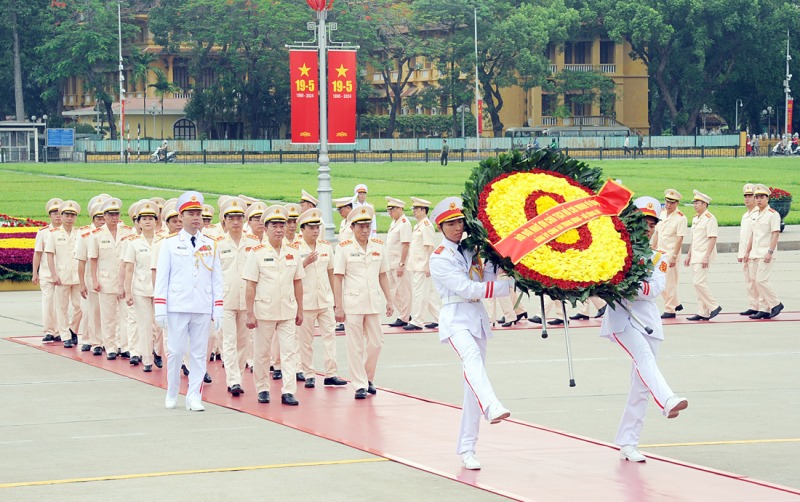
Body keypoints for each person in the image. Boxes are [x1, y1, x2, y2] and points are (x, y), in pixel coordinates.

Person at [601, 196, 689, 463]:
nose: (648, 228)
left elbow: (653, 289)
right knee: (644, 357)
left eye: (652, 224)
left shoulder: (658, 258)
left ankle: (628, 442)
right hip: (621, 320)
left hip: (648, 322)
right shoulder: (613, 251)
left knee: (640, 387)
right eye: (643, 222)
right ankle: (668, 400)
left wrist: (624, 282)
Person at [428, 196, 513, 470]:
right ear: (440, 227)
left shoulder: (470, 250)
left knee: (473, 384)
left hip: (477, 317)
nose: (457, 227)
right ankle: (492, 406)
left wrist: (497, 264)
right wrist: (506, 287)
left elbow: (483, 279)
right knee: (472, 359)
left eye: (460, 222)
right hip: (455, 317)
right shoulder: (439, 257)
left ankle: (467, 448)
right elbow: (466, 289)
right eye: (450, 223)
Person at [154, 191, 223, 411]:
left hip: (202, 305)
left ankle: (194, 396)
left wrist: (218, 309)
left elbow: (217, 279)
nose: (196, 218)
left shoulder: (210, 244)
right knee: (175, 351)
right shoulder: (170, 244)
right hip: (177, 305)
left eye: (198, 214)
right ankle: (172, 390)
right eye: (191, 214)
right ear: (181, 217)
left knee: (199, 354)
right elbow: (162, 277)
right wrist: (160, 307)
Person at [242, 205, 304, 405]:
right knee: (262, 353)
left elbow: (298, 282)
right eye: (274, 226)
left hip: (287, 309)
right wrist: (249, 313)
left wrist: (300, 308)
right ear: (266, 228)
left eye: (281, 226)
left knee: (289, 352)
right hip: (264, 311)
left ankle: (288, 391)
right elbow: (250, 285)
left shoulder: (293, 251)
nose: (279, 230)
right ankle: (262, 388)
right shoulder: (257, 252)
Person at [333, 205, 393, 400]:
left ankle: (367, 378)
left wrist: (389, 299)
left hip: (373, 301)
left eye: (368, 226)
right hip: (353, 303)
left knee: (376, 342)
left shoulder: (378, 246)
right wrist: (338, 306)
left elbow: (383, 274)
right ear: (352, 227)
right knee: (355, 345)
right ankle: (359, 384)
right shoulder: (344, 248)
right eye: (360, 226)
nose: (365, 230)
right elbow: (338, 277)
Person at [296, 208, 347, 388]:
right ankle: (308, 373)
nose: (315, 231)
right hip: (306, 302)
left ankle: (331, 373)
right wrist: (304, 262)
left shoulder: (325, 246)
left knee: (330, 337)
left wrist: (337, 302)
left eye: (317, 227)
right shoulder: (295, 248)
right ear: (303, 229)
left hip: (325, 300)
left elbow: (332, 274)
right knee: (305, 341)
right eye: (311, 228)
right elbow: (291, 274)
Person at [216, 197, 259, 396]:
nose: (235, 222)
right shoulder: (217, 244)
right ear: (224, 220)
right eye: (231, 218)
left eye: (239, 218)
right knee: (229, 341)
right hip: (225, 299)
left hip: (246, 300)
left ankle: (238, 378)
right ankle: (232, 379)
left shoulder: (254, 243)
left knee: (243, 342)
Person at [88, 197, 134, 359]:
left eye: (116, 214)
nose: (114, 217)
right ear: (104, 216)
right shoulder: (96, 235)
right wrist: (94, 280)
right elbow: (93, 259)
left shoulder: (127, 232)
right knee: (108, 316)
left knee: (125, 315)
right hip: (105, 279)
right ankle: (110, 347)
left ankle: (125, 346)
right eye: (110, 214)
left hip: (124, 280)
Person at [123, 200, 160, 370]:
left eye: (151, 218)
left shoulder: (163, 241)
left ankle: (158, 352)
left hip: (159, 289)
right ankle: (147, 360)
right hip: (140, 289)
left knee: (160, 325)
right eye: (143, 219)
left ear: (156, 221)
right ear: (138, 223)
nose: (147, 222)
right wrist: (127, 292)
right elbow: (129, 269)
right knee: (144, 325)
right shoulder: (134, 243)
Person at [45, 200, 83, 348]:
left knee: (80, 307)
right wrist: (53, 275)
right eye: (67, 215)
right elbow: (49, 255)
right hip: (62, 276)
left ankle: (73, 329)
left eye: (72, 216)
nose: (69, 218)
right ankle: (65, 336)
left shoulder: (80, 233)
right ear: (61, 216)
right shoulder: (54, 234)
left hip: (77, 277)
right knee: (62, 307)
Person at [744, 184, 783, 319]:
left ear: (767, 199)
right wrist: (747, 251)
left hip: (766, 252)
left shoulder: (773, 214)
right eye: (757, 197)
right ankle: (764, 309)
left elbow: (775, 234)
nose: (759, 200)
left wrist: (770, 252)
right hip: (755, 253)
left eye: (762, 197)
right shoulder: (756, 215)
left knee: (761, 280)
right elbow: (753, 235)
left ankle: (776, 304)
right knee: (756, 281)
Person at [403, 197, 441, 331]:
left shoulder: (426, 226)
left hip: (422, 266)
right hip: (417, 264)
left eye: (416, 209)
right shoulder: (418, 225)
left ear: (423, 210)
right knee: (428, 294)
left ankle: (417, 321)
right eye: (413, 208)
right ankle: (440, 319)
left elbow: (430, 246)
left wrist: (428, 266)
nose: (414, 211)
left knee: (419, 294)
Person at [683, 190, 721, 321]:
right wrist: (688, 255)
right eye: (694, 203)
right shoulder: (695, 218)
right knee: (699, 284)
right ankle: (703, 312)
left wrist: (707, 256)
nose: (695, 205)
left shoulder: (710, 218)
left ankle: (714, 306)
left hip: (704, 255)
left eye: (697, 203)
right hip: (695, 255)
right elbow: (694, 240)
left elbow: (712, 238)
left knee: (698, 283)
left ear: (704, 204)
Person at [651, 189, 688, 318]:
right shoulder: (661, 214)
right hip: (659, 252)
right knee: (659, 280)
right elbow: (657, 232)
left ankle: (670, 309)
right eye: (667, 202)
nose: (668, 205)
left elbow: (680, 238)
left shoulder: (681, 218)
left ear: (677, 203)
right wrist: (653, 247)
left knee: (670, 283)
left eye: (672, 202)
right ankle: (675, 303)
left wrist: (674, 256)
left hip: (671, 253)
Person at [33, 198, 63, 343]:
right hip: (46, 273)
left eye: (60, 213)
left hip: (63, 273)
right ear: (50, 216)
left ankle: (60, 331)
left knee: (61, 304)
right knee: (48, 302)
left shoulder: (68, 231)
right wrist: (35, 273)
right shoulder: (43, 232)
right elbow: (38, 253)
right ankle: (49, 331)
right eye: (54, 213)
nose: (58, 216)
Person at [385, 197, 413, 328]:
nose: (390, 213)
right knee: (392, 291)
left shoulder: (404, 223)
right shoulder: (395, 222)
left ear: (400, 209)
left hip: (399, 263)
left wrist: (402, 264)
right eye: (388, 210)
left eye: (392, 210)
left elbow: (405, 245)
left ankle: (404, 317)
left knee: (403, 291)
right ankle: (405, 313)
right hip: (391, 262)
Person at [737, 184, 759, 316]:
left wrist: (748, 252)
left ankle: (763, 306)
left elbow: (755, 236)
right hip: (745, 253)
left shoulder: (758, 214)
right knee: (749, 281)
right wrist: (741, 253)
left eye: (750, 196)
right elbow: (743, 237)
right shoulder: (745, 215)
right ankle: (753, 305)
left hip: (754, 253)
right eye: (745, 196)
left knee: (756, 280)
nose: (747, 198)